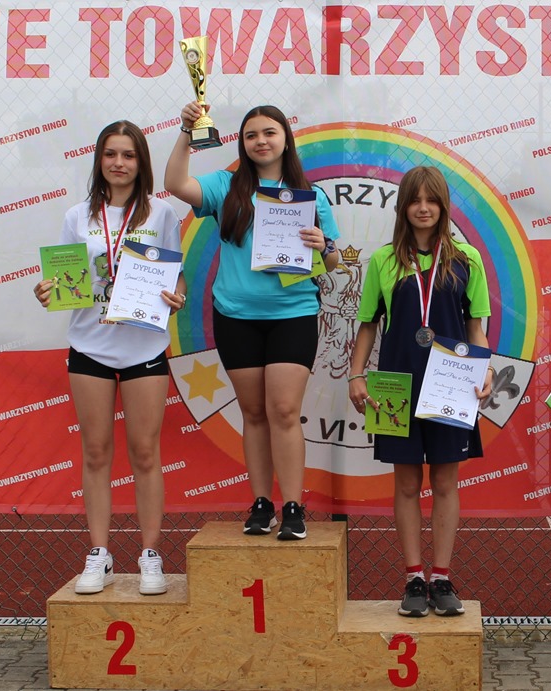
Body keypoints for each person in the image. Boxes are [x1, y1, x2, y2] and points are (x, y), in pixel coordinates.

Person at [165, 102, 341, 540]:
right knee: (254, 413)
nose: (261, 141)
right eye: (251, 135)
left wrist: (324, 244)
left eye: (269, 132)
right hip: (236, 317)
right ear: (242, 144)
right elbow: (175, 183)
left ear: (285, 139)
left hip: (293, 314)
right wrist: (186, 131)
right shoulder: (225, 186)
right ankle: (262, 503)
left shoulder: (311, 196)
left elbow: (335, 261)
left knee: (284, 410)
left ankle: (294, 506)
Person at [33, 121, 186, 595]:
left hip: (144, 347)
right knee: (96, 453)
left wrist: (177, 296)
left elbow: (176, 275)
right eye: (110, 154)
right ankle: (98, 554)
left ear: (141, 162)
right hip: (90, 345)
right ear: (99, 160)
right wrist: (47, 290)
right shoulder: (77, 215)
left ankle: (151, 555)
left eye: (129, 155)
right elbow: (65, 278)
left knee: (145, 453)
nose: (119, 163)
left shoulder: (161, 213)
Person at [347, 166, 493, 617]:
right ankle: (413, 578)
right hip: (397, 384)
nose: (424, 208)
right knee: (407, 483)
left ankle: (442, 578)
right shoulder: (383, 260)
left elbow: (476, 326)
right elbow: (368, 324)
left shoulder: (467, 259)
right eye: (415, 200)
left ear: (444, 206)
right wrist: (355, 375)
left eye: (432, 200)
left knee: (445, 482)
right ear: (403, 206)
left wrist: (485, 369)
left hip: (452, 385)